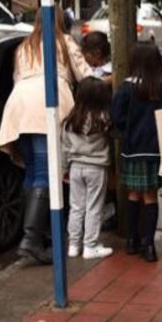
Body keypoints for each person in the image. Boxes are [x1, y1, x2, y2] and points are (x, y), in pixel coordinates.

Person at [0, 11, 90, 264]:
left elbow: (17, 78)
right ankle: (31, 240)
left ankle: (35, 235)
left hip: (18, 109)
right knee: (46, 174)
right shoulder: (64, 42)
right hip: (45, 106)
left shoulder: (23, 46)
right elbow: (85, 76)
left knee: (31, 172)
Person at [112, 43, 162, 262]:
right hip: (156, 149)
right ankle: (149, 245)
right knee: (151, 196)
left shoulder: (127, 87)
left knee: (133, 194)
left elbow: (116, 116)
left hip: (132, 149)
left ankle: (131, 241)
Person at [64, 78, 114, 260]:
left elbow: (64, 146)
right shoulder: (103, 118)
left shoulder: (71, 120)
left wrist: (64, 168)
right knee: (94, 207)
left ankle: (73, 245)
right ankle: (90, 245)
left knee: (76, 207)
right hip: (96, 167)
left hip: (75, 167)